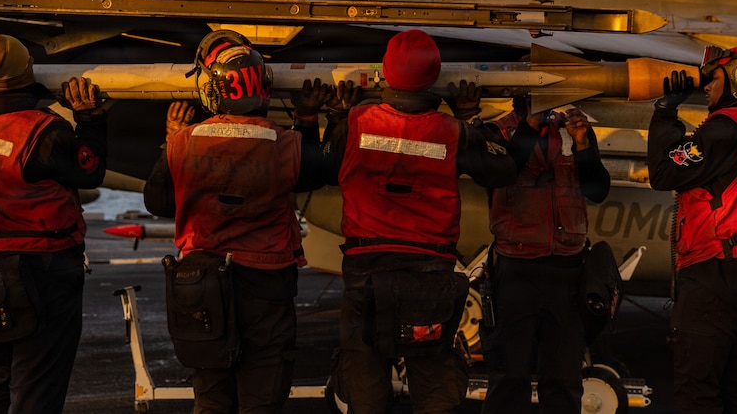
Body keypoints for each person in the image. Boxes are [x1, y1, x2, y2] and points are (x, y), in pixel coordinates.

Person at [324, 28, 517, 414]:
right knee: (434, 384)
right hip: (429, 272)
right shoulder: (453, 132)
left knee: (364, 381)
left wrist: (335, 116)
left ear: (385, 71)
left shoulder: (356, 122)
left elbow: (321, 167)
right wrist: (471, 117)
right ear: (434, 75)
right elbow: (502, 169)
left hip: (366, 268)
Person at [142, 29, 332, 414]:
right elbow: (314, 173)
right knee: (263, 393)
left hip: (203, 282)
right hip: (267, 284)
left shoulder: (185, 141)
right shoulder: (284, 143)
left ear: (212, 92)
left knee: (212, 393)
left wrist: (171, 139)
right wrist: (307, 117)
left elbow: (158, 202)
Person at [0, 32, 108, 414]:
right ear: (26, 72)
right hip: (45, 271)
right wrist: (91, 119)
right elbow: (91, 170)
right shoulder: (43, 131)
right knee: (38, 388)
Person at [647, 46, 737, 414]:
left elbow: (663, 173)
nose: (706, 85)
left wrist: (665, 112)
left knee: (698, 392)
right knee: (733, 391)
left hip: (715, 272)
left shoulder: (727, 127)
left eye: (714, 77)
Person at [478, 95, 611, 414]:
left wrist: (583, 145)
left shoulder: (572, 129)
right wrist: (529, 127)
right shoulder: (498, 132)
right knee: (509, 378)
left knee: (564, 381)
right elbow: (499, 175)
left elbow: (598, 190)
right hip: (516, 270)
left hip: (567, 270)